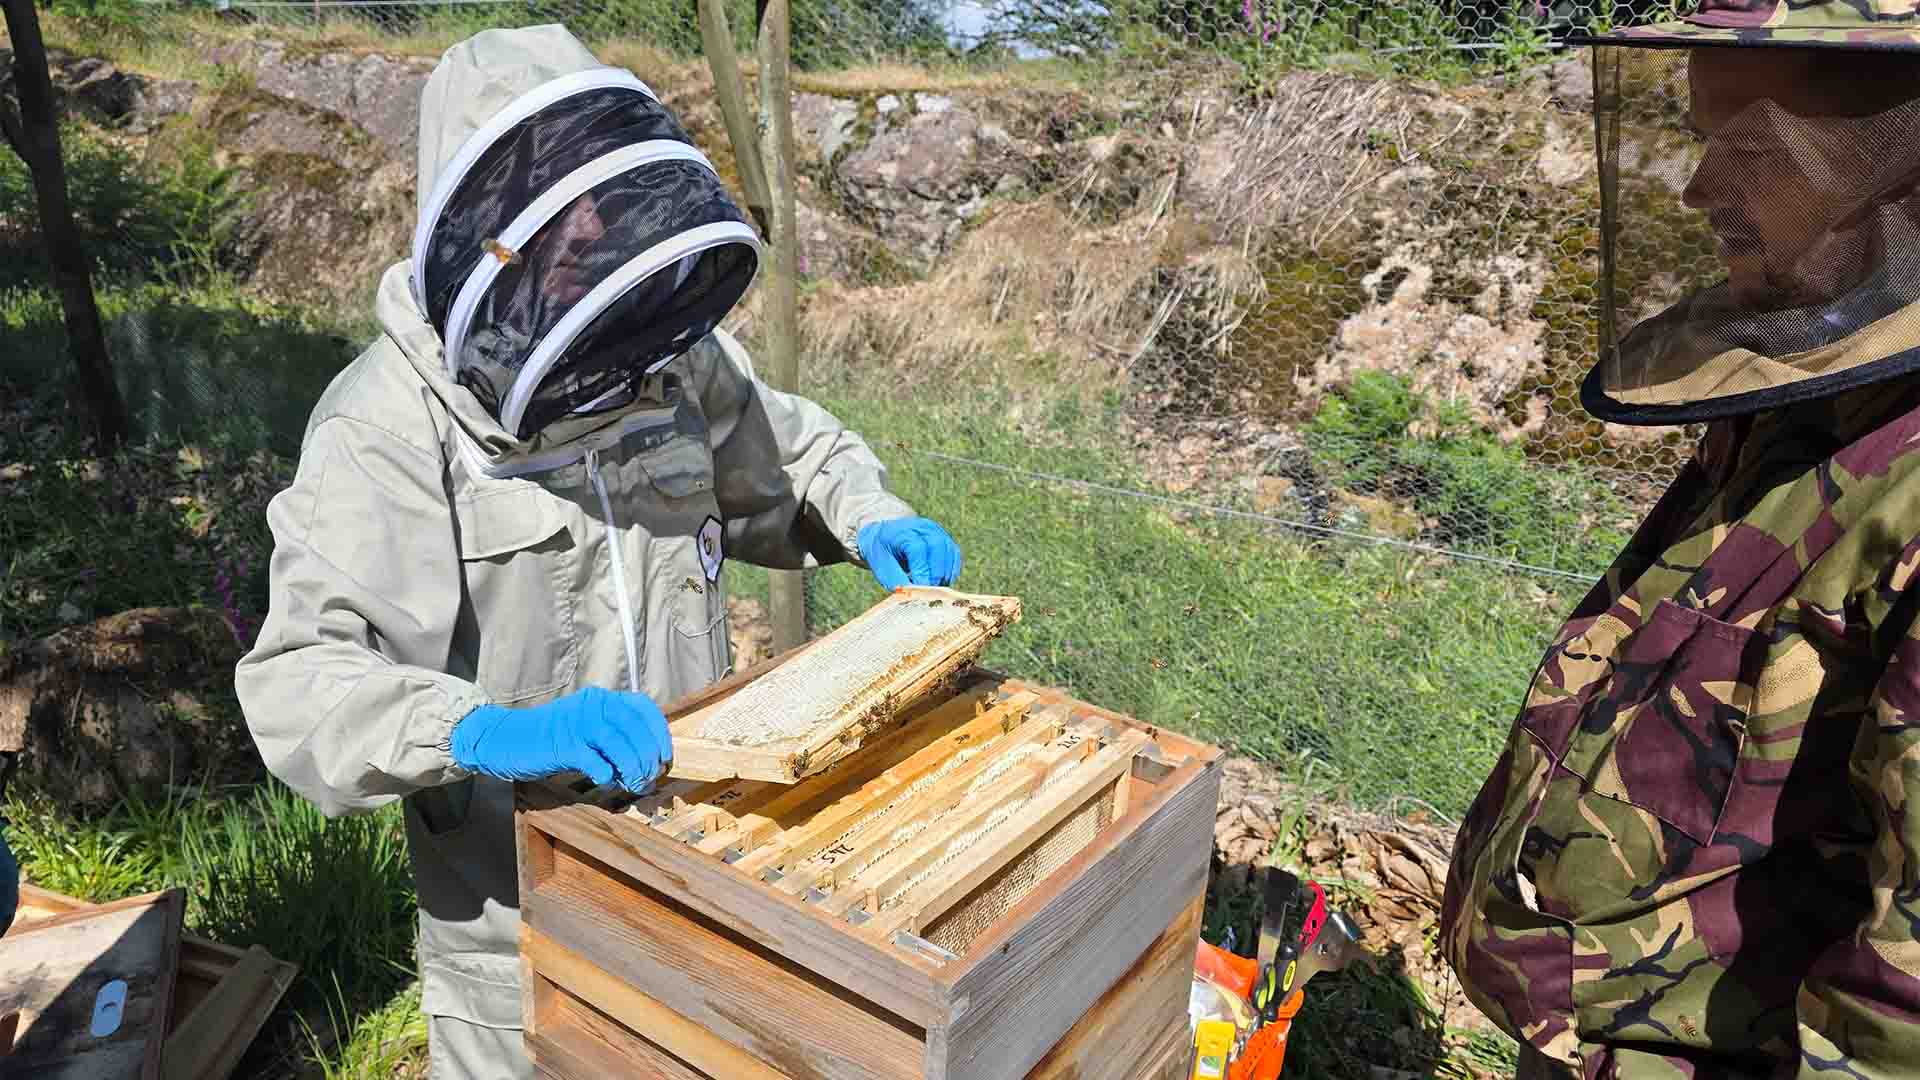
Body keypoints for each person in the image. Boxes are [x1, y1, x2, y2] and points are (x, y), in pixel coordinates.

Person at [234, 24, 961, 1078]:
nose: (586, 230)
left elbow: (786, 457)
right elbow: (302, 682)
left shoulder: (660, 355)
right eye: (555, 205)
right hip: (517, 920)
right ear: (480, 223)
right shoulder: (388, 423)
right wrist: (488, 733)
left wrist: (867, 513)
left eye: (598, 200)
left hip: (701, 862)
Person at [1440, 2, 1920, 1076]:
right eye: (1706, 143)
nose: (1701, 191)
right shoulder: (1805, 398)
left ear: (1897, 168)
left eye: (1751, 152)